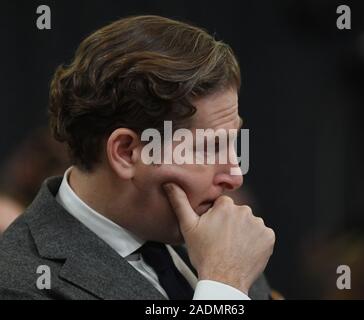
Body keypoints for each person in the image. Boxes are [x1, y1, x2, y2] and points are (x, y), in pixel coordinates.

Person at [0, 15, 275, 300]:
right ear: (126, 152)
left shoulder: (220, 241)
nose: (235, 174)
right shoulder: (20, 283)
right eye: (208, 148)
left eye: (233, 143)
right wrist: (223, 286)